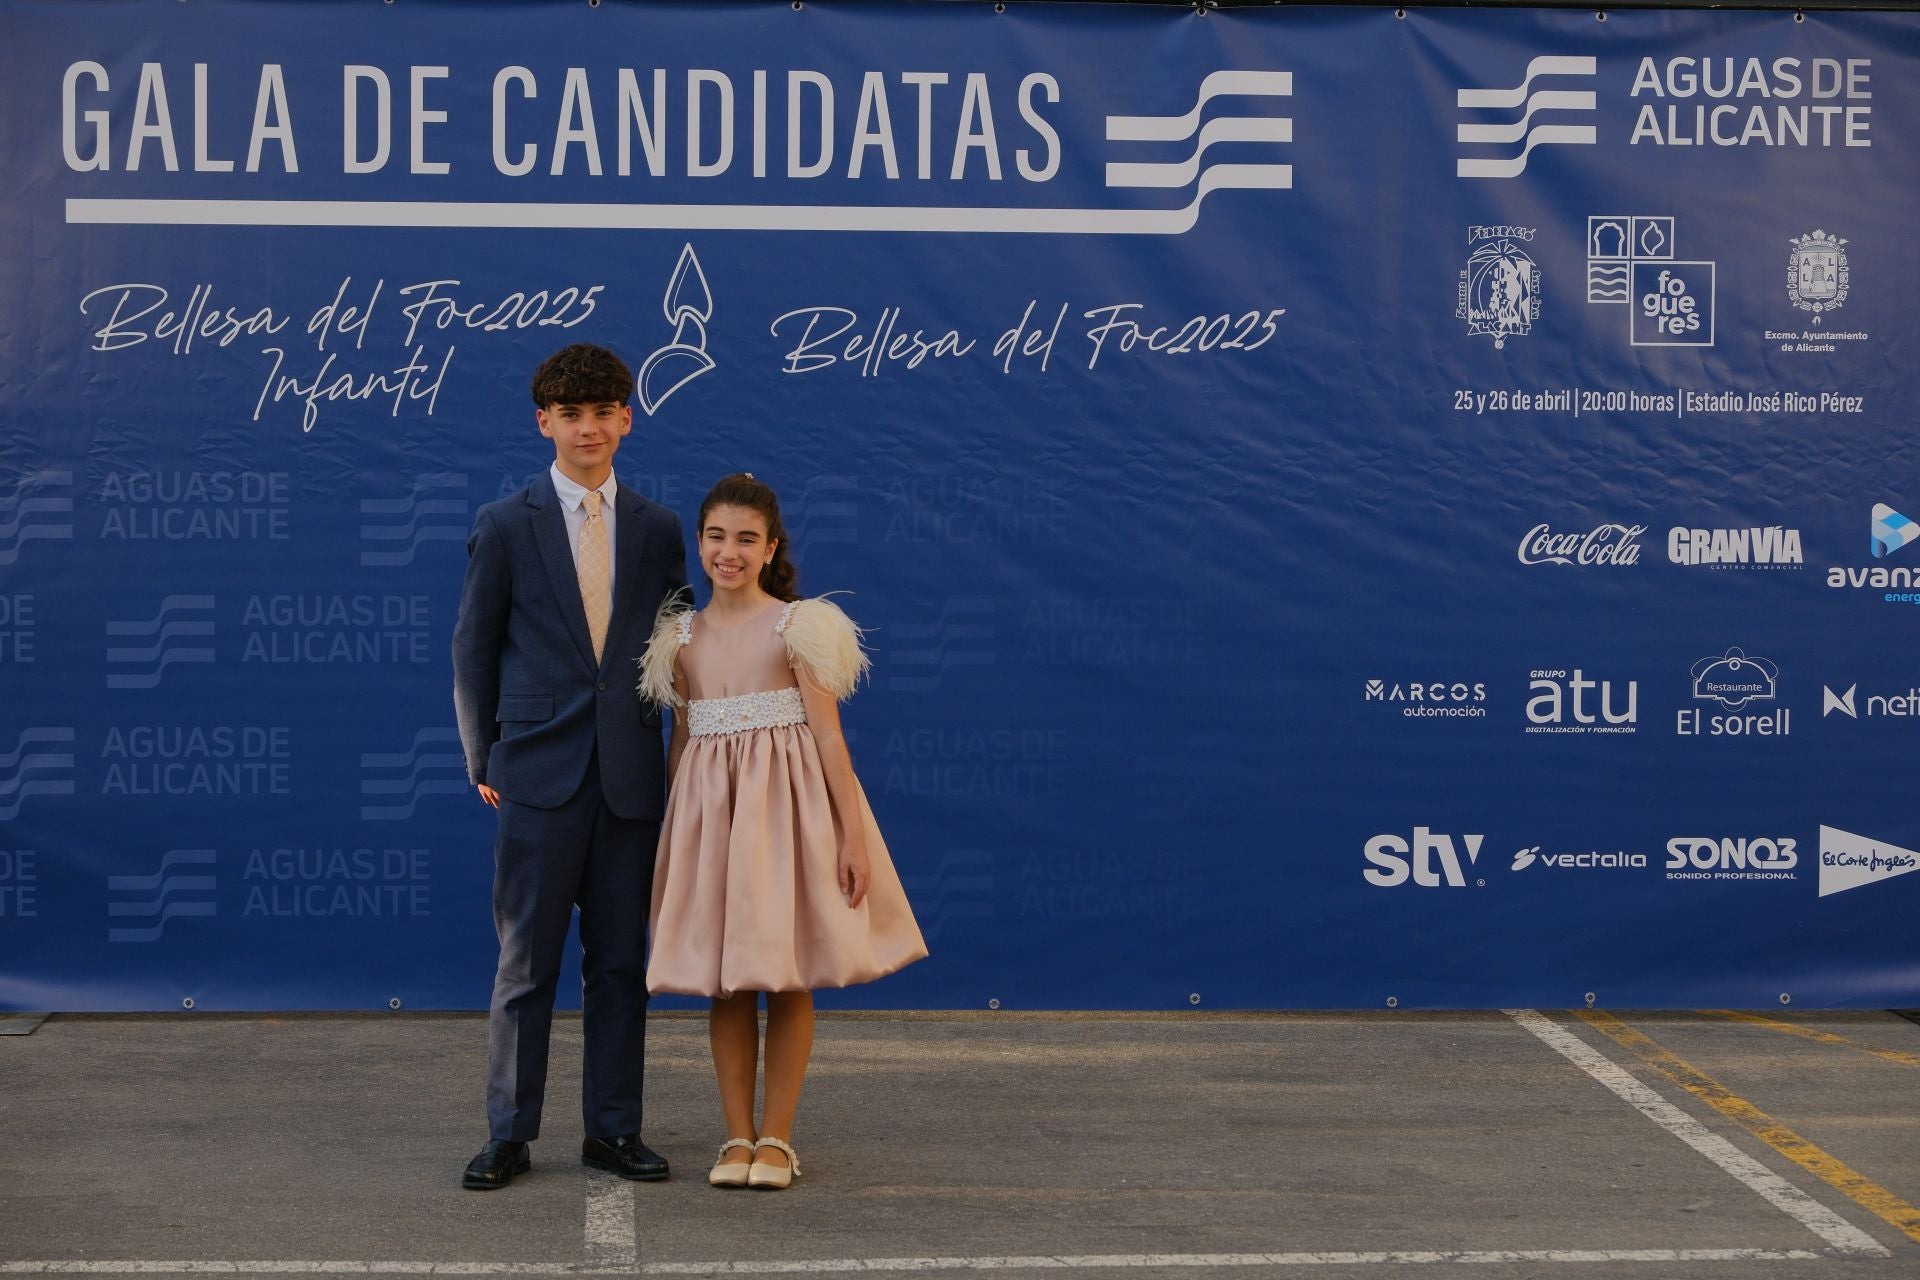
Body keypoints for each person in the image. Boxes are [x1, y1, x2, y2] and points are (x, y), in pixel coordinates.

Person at [638, 473, 927, 1191]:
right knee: (728, 981)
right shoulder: (678, 637)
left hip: (789, 820)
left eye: (745, 539)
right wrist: (675, 837)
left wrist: (851, 837)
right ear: (698, 543)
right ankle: (735, 1135)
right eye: (715, 537)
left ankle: (778, 1139)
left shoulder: (797, 627)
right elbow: (682, 742)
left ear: (770, 548)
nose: (728, 552)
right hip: (713, 822)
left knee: (788, 972)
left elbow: (829, 741)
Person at [452, 343, 688, 1190]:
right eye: (571, 415)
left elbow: (675, 651)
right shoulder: (506, 523)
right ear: (543, 423)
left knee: (622, 963)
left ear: (627, 419)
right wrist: (487, 754)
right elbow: (473, 648)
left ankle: (613, 1131)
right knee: (526, 965)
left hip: (629, 782)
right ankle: (509, 1133)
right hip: (538, 777)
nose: (588, 429)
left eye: (604, 413)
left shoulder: (660, 529)